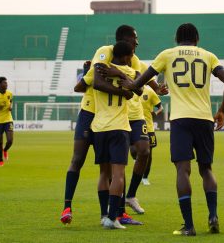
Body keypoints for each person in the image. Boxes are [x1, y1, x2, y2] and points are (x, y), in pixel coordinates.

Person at [121, 23, 224, 236]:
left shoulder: (167, 55)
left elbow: (140, 82)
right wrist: (221, 110)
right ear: (197, 39)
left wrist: (131, 84)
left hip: (181, 120)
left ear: (176, 39)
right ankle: (213, 215)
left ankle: (189, 226)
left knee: (183, 170)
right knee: (206, 169)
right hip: (204, 118)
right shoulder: (208, 56)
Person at [92, 40, 141, 229]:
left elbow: (89, 83)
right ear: (127, 56)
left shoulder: (101, 69)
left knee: (104, 173)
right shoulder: (128, 72)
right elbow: (139, 88)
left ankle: (104, 215)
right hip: (119, 127)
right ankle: (113, 218)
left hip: (99, 127)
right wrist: (125, 88)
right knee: (118, 174)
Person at [60, 60, 93, 224]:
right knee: (77, 159)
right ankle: (67, 207)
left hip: (108, 117)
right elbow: (80, 86)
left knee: (108, 165)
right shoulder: (94, 67)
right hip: (87, 115)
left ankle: (108, 212)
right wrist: (88, 71)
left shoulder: (117, 67)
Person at [140, 82, 163, 185]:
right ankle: (138, 164)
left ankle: (145, 177)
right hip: (133, 126)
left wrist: (156, 113)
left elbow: (160, 107)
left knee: (149, 154)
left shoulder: (149, 91)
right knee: (134, 151)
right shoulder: (129, 90)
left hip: (148, 128)